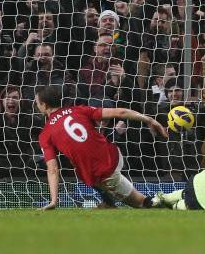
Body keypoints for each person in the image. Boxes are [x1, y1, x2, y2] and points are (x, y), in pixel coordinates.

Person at [34, 85, 168, 210]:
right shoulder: (80, 109)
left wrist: (53, 201)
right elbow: (120, 112)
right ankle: (108, 202)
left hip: (105, 172)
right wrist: (149, 120)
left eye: (37, 103)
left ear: (44, 105)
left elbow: (53, 169)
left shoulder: (45, 134)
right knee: (82, 168)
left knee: (143, 203)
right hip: (113, 153)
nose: (36, 105)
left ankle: (178, 200)